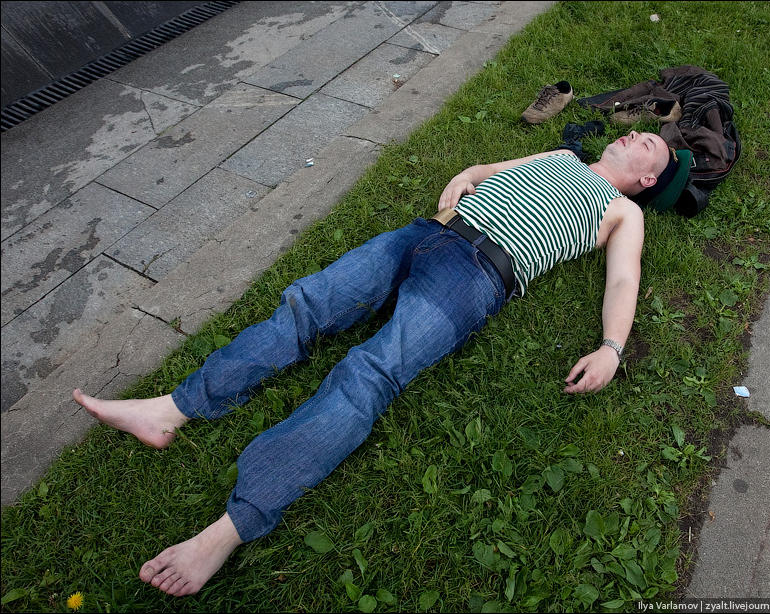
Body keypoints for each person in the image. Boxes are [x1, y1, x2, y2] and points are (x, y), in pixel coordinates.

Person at [72, 129, 688, 597]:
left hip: (475, 278)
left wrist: (612, 347)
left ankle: (228, 529)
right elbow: (492, 170)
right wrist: (466, 175)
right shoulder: (559, 157)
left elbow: (624, 279)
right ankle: (171, 409)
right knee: (307, 306)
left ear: (647, 180)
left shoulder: (623, 211)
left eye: (648, 145)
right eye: (638, 130)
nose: (635, 133)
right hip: (423, 234)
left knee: (366, 377)